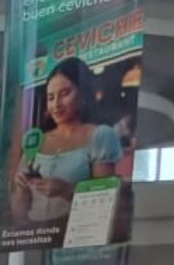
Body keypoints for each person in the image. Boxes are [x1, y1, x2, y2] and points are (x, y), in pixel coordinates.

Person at [10, 56, 121, 225]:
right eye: (51, 97)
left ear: (83, 92)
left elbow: (104, 201)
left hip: (76, 233)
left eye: (64, 94)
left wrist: (67, 190)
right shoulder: (36, 140)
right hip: (34, 235)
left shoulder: (101, 135)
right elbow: (18, 214)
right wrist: (20, 188)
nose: (56, 105)